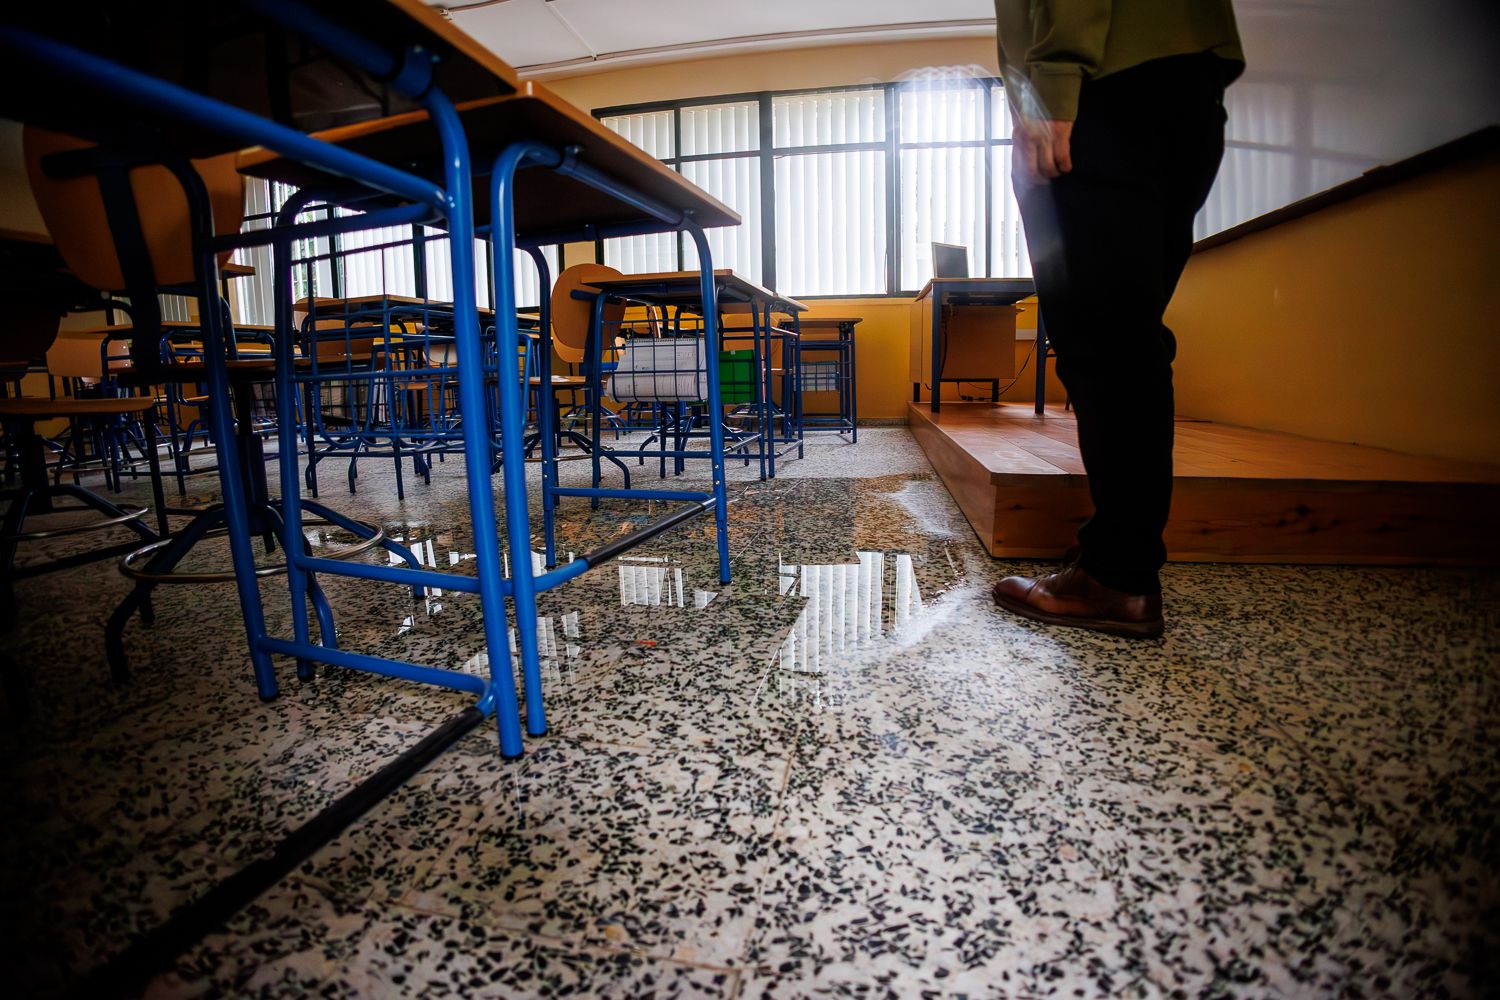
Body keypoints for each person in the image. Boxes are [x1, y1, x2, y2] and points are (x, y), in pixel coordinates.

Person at [990, 0, 1245, 639]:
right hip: (1185, 82)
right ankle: (1116, 549)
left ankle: (1119, 576)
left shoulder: (1075, 85)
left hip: (1100, 89)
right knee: (1128, 333)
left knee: (1105, 343)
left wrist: (1050, 86)